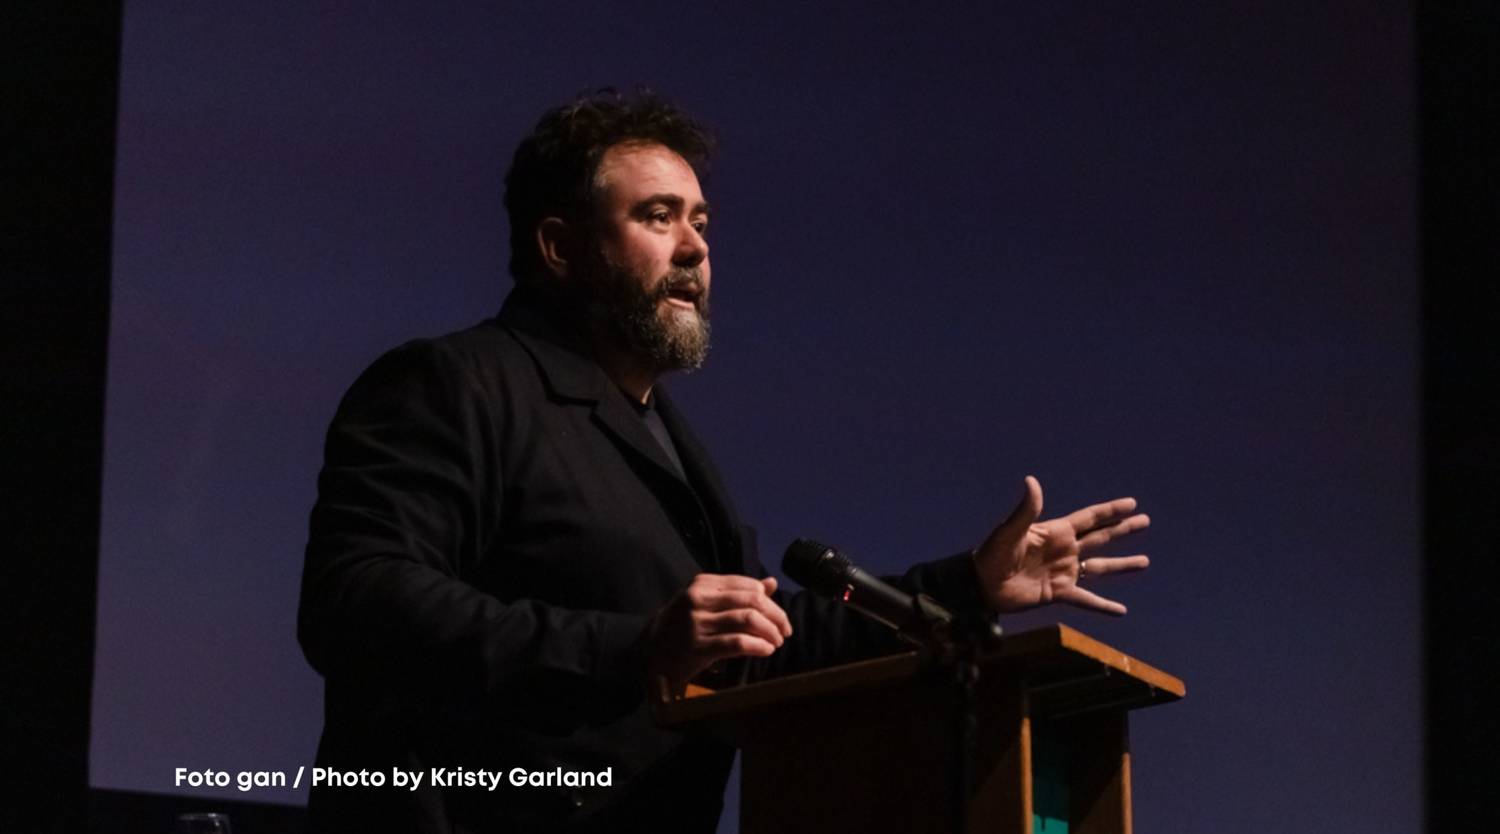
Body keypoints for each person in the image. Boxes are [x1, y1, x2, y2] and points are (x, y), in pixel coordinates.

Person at [297, 89, 1150, 833]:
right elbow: (356, 604)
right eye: (657, 217)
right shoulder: (453, 384)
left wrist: (971, 584)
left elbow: (759, 644)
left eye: (700, 221)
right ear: (559, 248)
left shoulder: (664, 437)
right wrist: (639, 649)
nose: (697, 248)